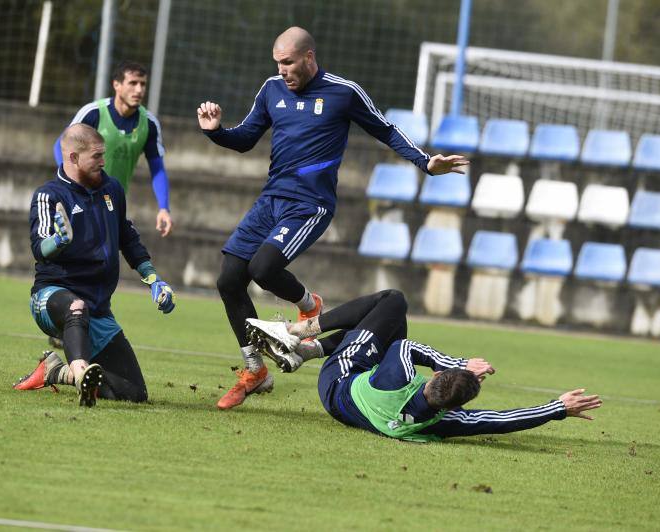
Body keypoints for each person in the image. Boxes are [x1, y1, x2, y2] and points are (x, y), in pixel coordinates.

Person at [197, 27, 469, 410]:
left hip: (310, 205)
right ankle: (254, 370)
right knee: (228, 280)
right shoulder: (271, 89)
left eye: (288, 62)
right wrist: (216, 133)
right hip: (271, 200)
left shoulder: (344, 92)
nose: (282, 70)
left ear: (309, 57)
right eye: (277, 63)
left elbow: (386, 129)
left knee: (263, 267)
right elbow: (245, 139)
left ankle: (310, 305)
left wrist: (426, 162)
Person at [245, 290, 602, 441]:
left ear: (439, 376)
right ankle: (301, 353)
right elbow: (501, 421)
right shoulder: (447, 420)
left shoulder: (398, 374)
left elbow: (405, 345)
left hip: (337, 381)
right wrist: (558, 408)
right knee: (376, 331)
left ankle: (295, 333)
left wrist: (461, 362)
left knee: (391, 302)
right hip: (343, 411)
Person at [14, 124, 176, 407]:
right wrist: (58, 241)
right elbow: (40, 249)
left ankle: (57, 371)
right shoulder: (49, 195)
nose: (104, 162)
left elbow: (128, 238)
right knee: (76, 306)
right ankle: (80, 375)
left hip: (99, 310)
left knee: (134, 394)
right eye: (97, 156)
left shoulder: (112, 189)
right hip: (52, 299)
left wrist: (153, 280)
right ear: (74, 157)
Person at [54, 61, 173, 238]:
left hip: (112, 203)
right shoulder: (93, 113)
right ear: (116, 85)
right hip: (79, 197)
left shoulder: (149, 123)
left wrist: (164, 207)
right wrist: (73, 183)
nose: (139, 90)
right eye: (133, 83)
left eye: (143, 84)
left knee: (106, 260)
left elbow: (157, 168)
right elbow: (60, 147)